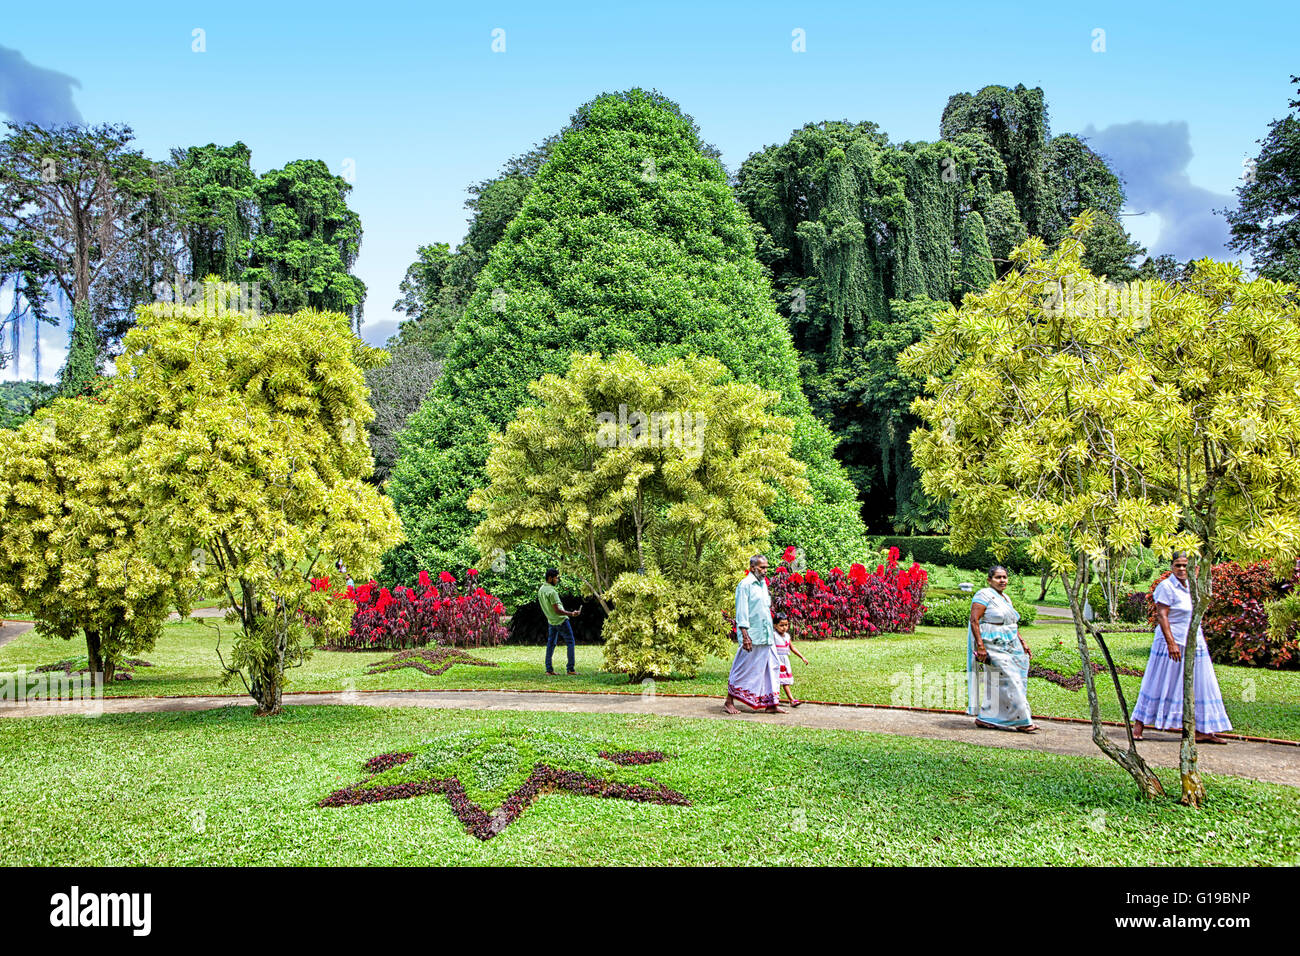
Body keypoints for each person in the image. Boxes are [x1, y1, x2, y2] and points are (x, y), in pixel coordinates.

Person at [1131, 554, 1232, 743]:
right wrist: (1171, 643)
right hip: (1170, 641)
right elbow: (1162, 615)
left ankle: (1203, 729)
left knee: (1203, 683)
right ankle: (1139, 724)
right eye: (1178, 565)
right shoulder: (1166, 587)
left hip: (1194, 640)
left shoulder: (1193, 587)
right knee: (1159, 680)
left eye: (1186, 566)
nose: (1182, 569)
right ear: (1171, 566)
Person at [968, 565, 1037, 733]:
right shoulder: (983, 595)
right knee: (1010, 678)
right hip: (992, 644)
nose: (1002, 580)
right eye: (998, 577)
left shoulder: (1005, 597)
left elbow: (1011, 623)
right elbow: (974, 620)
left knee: (1010, 680)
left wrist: (1022, 642)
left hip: (1011, 644)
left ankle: (986, 717)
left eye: (1004, 577)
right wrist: (980, 646)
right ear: (989, 580)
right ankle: (1022, 720)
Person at [725, 554, 785, 714]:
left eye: (766, 567)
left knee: (772, 666)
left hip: (766, 634)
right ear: (753, 568)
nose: (765, 570)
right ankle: (729, 702)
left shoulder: (763, 584)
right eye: (762, 567)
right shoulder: (745, 585)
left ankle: (771, 704)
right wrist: (745, 635)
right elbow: (741, 611)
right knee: (743, 667)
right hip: (751, 635)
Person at [538, 568, 581, 676]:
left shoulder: (541, 590)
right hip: (561, 621)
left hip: (551, 621)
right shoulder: (552, 592)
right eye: (556, 578)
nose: (557, 580)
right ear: (550, 578)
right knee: (570, 642)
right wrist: (571, 614)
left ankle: (549, 670)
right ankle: (570, 669)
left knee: (550, 644)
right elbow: (557, 610)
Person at [772, 613, 808, 708]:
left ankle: (784, 700)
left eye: (786, 625)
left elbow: (792, 648)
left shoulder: (787, 636)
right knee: (779, 682)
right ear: (775, 625)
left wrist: (802, 657)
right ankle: (790, 700)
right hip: (776, 661)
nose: (784, 627)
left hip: (785, 661)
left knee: (784, 681)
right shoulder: (774, 636)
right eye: (781, 625)